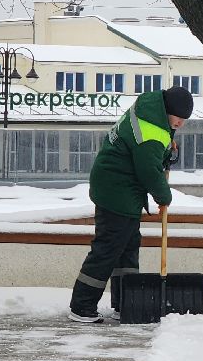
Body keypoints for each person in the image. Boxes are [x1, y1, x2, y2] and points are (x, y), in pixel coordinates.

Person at [68, 85, 193, 322]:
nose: (180, 124)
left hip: (117, 185)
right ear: (168, 110)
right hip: (117, 190)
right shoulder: (153, 131)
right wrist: (164, 196)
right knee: (109, 247)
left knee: (127, 245)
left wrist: (166, 147)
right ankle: (81, 306)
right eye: (178, 118)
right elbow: (148, 169)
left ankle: (125, 301)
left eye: (184, 120)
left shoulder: (150, 109)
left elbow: (145, 147)